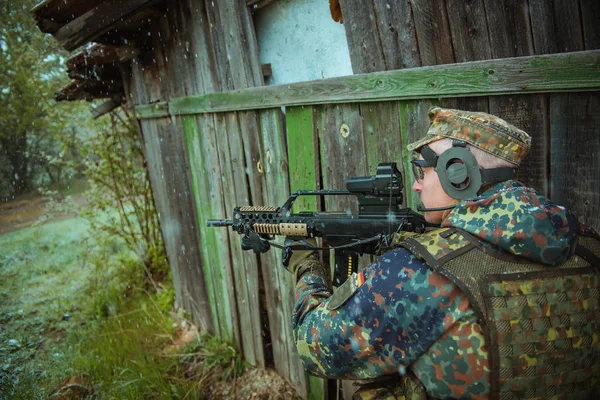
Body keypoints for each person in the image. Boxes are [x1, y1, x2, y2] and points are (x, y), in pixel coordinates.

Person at [283, 107, 600, 399]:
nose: (417, 186)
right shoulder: (589, 246)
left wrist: (305, 265)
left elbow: (314, 348)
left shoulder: (416, 273)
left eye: (422, 172)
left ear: (457, 172)